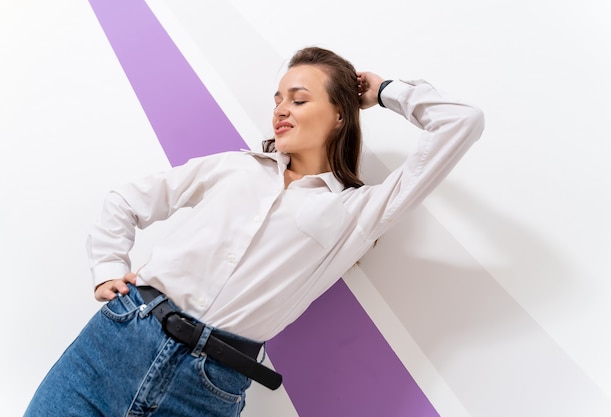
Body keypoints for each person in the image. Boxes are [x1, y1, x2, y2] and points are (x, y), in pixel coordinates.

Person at [24, 46, 484, 417]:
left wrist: (384, 90)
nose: (282, 110)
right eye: (278, 99)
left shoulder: (356, 212)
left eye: (299, 100)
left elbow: (460, 121)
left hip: (207, 386)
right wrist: (108, 266)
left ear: (341, 114)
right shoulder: (235, 167)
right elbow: (127, 200)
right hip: (115, 343)